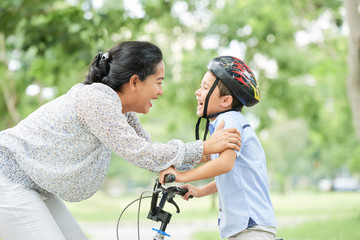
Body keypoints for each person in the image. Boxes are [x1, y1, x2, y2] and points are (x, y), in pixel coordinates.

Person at [0, 41, 242, 240]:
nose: (161, 92)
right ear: (135, 82)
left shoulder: (121, 111)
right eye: (158, 82)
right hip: (8, 178)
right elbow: (141, 152)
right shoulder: (96, 100)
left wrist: (206, 154)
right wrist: (206, 147)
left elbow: (152, 154)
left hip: (35, 185)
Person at [159, 56, 277, 240]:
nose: (198, 92)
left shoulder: (228, 120)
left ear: (225, 101)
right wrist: (199, 191)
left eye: (205, 88)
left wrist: (181, 176)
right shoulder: (228, 123)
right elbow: (232, 177)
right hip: (248, 227)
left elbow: (225, 165)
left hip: (250, 227)